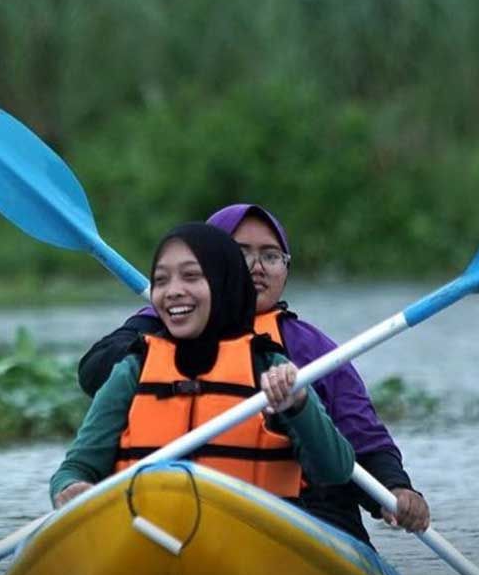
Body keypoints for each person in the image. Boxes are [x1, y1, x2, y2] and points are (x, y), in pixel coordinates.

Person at [76, 205, 429, 545]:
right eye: (241, 252)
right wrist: (165, 346)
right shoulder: (156, 328)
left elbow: (361, 435)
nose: (256, 267)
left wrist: (394, 488)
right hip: (161, 509)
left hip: (299, 514)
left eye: (271, 256)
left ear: (286, 269)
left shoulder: (312, 348)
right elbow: (94, 372)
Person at [51, 223, 355, 509]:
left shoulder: (268, 366)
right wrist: (70, 487)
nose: (173, 291)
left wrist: (298, 405)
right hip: (148, 525)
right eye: (161, 280)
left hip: (251, 531)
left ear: (224, 283)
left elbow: (336, 470)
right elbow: (76, 467)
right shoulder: (133, 369)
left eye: (191, 276)